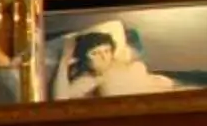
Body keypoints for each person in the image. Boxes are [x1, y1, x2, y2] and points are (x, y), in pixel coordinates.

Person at [52, 20, 180, 99]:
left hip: (174, 89)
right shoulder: (92, 79)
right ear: (84, 59)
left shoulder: (123, 59)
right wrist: (64, 59)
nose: (103, 57)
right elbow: (61, 98)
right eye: (95, 53)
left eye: (107, 51)